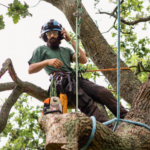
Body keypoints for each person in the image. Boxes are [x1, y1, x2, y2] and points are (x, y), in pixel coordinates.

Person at [28, 19, 127, 129]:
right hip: (60, 82)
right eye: (49, 33)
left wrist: (70, 40)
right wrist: (47, 62)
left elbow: (83, 59)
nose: (52, 35)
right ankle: (109, 128)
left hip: (75, 79)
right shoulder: (41, 49)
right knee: (85, 100)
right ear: (45, 36)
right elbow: (31, 69)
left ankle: (127, 117)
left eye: (55, 33)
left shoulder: (65, 50)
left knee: (103, 92)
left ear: (60, 35)